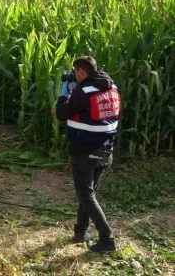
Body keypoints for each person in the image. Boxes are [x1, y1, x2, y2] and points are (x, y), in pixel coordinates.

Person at [55, 56, 120, 254]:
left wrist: (63, 95)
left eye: (75, 72)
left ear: (82, 72)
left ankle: (107, 239)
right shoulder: (112, 88)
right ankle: (80, 232)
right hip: (106, 150)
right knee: (88, 195)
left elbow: (61, 113)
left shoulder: (82, 92)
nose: (74, 75)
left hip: (85, 151)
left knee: (86, 195)